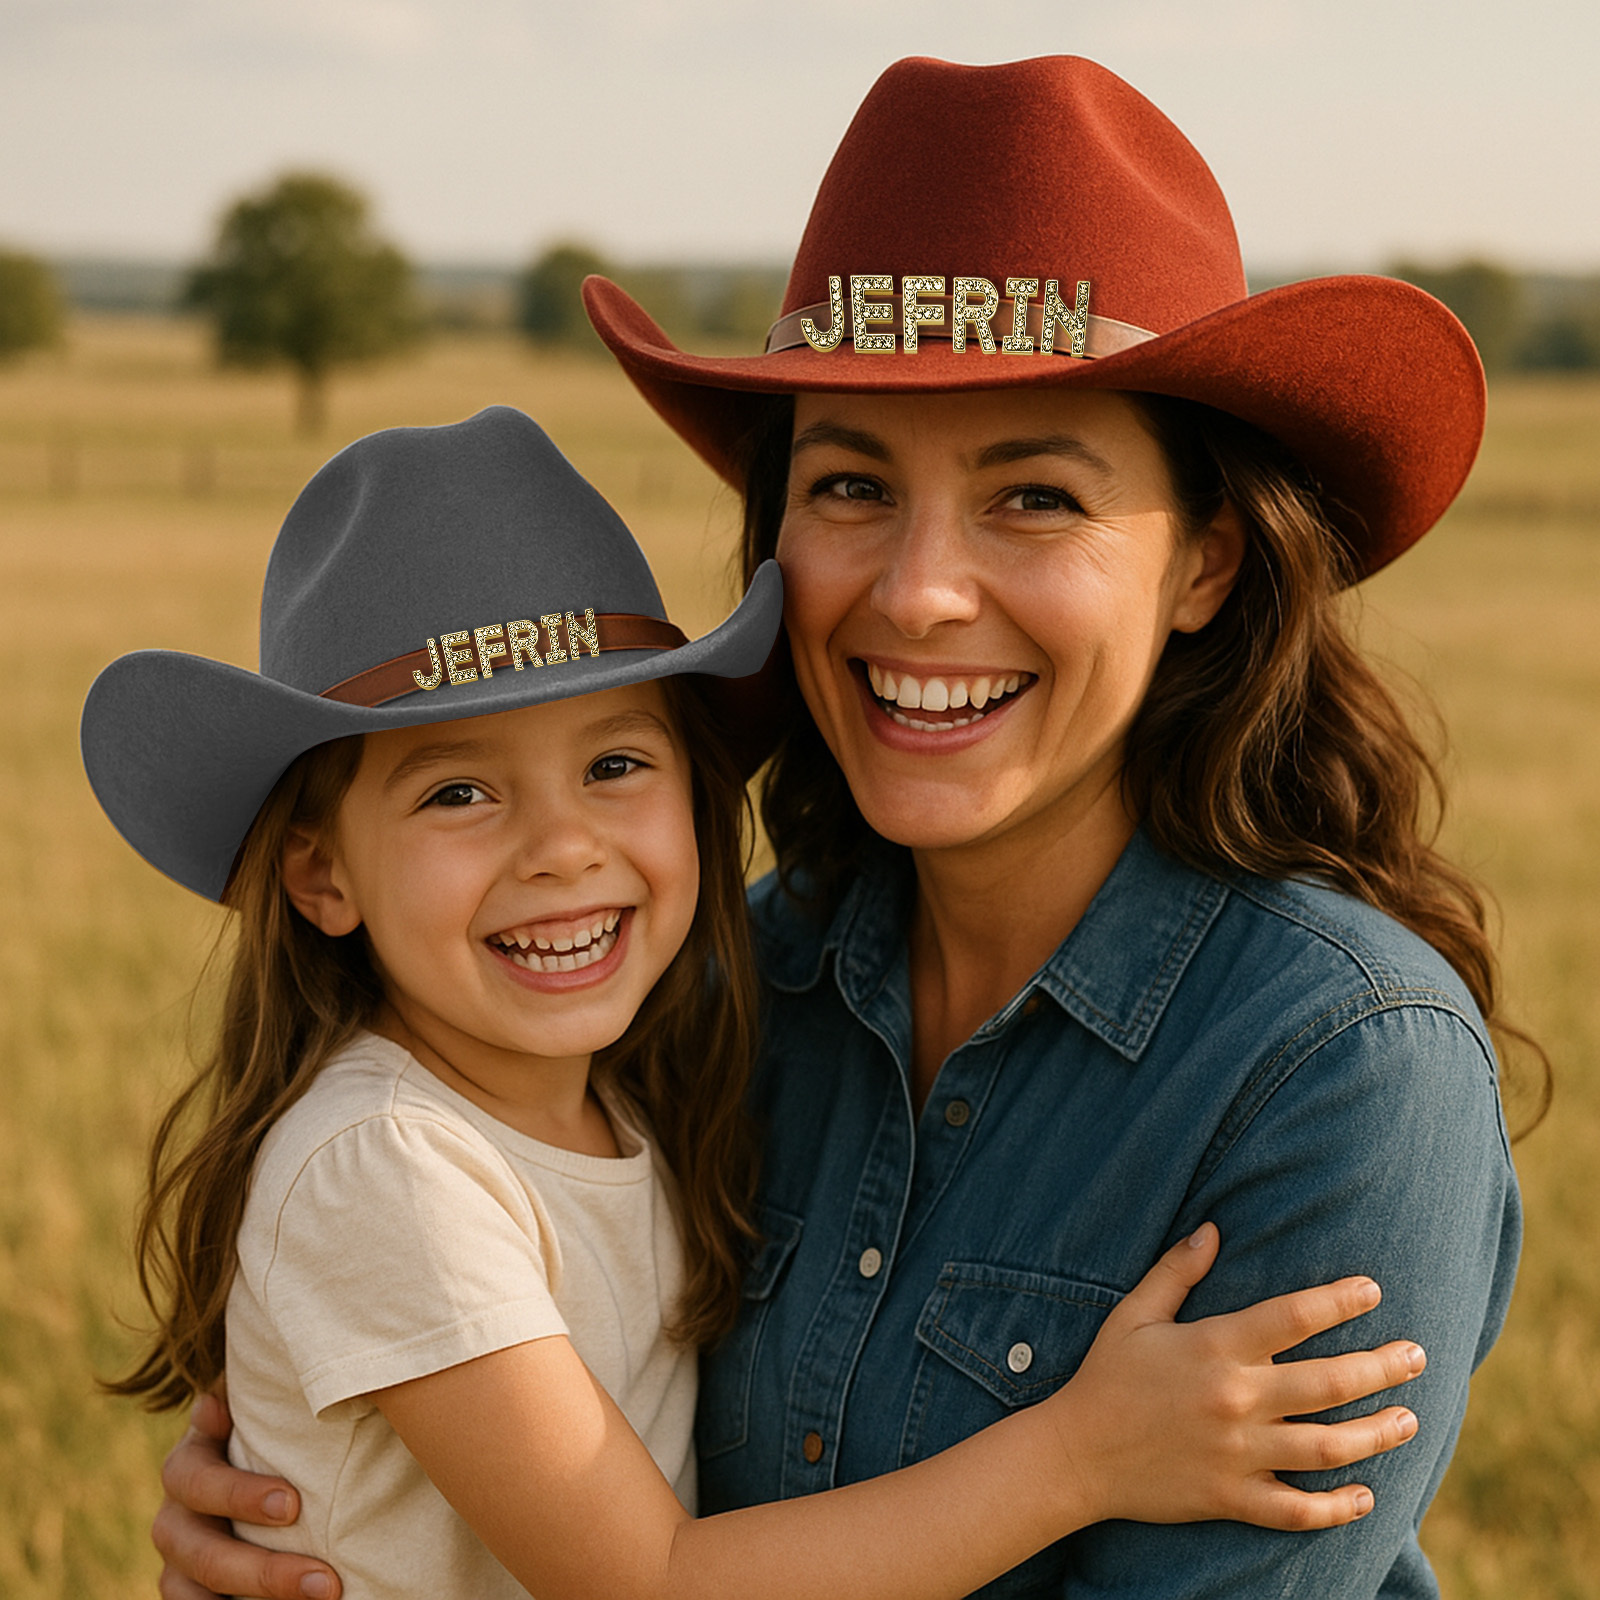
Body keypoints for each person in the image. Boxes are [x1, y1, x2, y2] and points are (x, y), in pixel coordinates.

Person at [150, 55, 1522, 1600]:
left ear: (1205, 563)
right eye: (853, 481)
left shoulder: (1342, 1065)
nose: (920, 590)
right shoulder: (716, 992)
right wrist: (319, 1502)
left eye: (1037, 499)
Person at [88, 405, 1424, 1600]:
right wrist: (1078, 1457)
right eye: (458, 791)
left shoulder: (650, 1066)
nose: (560, 849)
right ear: (318, 873)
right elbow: (652, 1580)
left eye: (615, 761)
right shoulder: (401, 1157)